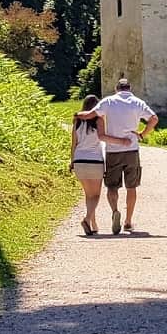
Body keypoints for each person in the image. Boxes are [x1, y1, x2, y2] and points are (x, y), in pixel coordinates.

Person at [93, 78, 157, 234]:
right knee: (131, 186)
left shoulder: (108, 101)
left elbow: (94, 114)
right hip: (132, 149)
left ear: (117, 89)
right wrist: (142, 134)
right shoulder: (137, 102)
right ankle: (128, 221)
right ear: (130, 88)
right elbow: (154, 119)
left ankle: (115, 211)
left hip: (113, 151)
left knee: (112, 186)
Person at [69, 95, 110, 236]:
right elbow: (103, 138)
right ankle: (87, 219)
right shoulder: (99, 120)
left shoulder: (77, 122)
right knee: (96, 195)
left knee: (88, 195)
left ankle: (93, 224)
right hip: (95, 161)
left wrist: (72, 161)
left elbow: (73, 144)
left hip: (79, 161)